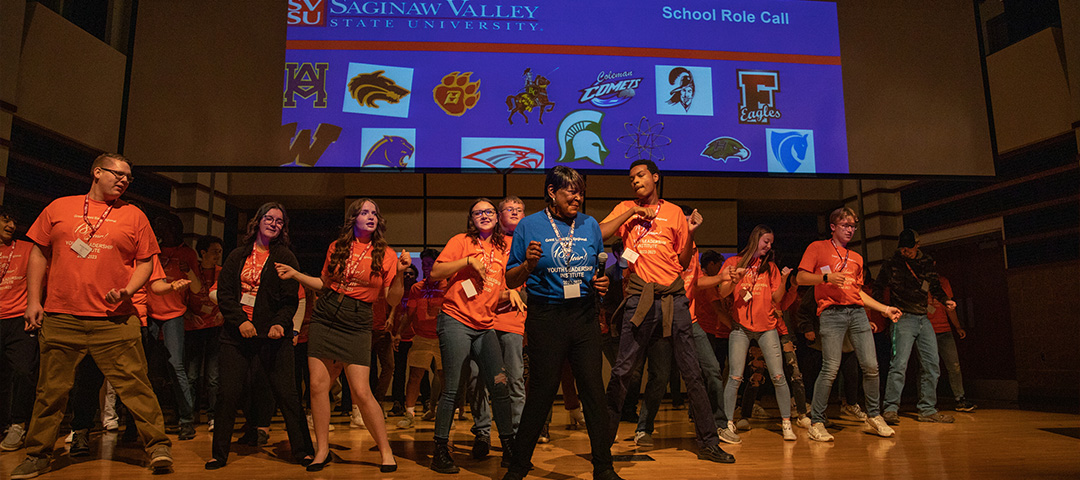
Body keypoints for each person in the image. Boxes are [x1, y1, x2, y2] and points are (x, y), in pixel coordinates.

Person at [12, 153, 173, 479]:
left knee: (136, 386)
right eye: (118, 173)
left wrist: (128, 291)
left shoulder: (134, 215)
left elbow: (145, 263)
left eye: (129, 177)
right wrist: (33, 300)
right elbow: (39, 254)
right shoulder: (59, 207)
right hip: (62, 316)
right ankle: (38, 454)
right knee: (51, 391)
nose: (124, 180)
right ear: (97, 172)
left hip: (115, 319)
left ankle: (157, 447)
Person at [599, 159, 734, 464]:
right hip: (640, 297)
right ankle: (602, 444)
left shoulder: (674, 212)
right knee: (623, 371)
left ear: (655, 177)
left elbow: (684, 261)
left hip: (674, 298)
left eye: (641, 175)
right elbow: (600, 233)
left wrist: (692, 231)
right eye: (631, 177)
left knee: (692, 372)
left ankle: (709, 442)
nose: (635, 181)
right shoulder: (625, 208)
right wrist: (632, 211)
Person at [502, 166, 619, 480]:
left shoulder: (590, 225)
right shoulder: (529, 226)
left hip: (583, 315)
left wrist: (600, 283)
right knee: (541, 392)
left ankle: (604, 467)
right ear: (552, 192)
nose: (577, 197)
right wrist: (528, 264)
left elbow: (596, 270)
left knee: (593, 391)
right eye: (571, 191)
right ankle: (518, 466)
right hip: (546, 316)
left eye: (580, 191)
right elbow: (511, 279)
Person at [276, 198, 407, 472]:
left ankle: (386, 451)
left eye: (374, 213)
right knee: (317, 386)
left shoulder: (387, 253)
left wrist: (400, 277)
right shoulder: (337, 247)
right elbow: (323, 284)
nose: (370, 216)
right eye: (364, 212)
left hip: (358, 318)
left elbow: (393, 299)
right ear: (353, 218)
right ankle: (322, 450)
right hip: (326, 314)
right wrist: (296, 274)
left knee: (361, 390)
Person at [206, 202, 314, 469]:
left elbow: (291, 301)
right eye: (269, 218)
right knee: (228, 394)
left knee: (288, 395)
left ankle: (303, 451)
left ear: (283, 227)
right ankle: (218, 453)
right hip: (236, 335)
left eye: (279, 221)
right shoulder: (237, 255)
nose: (273, 223)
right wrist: (240, 321)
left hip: (274, 338)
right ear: (258, 221)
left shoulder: (286, 257)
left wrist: (279, 324)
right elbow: (225, 295)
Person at [428, 198, 521, 474]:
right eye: (478, 212)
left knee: (500, 386)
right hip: (456, 319)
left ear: (496, 217)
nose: (484, 215)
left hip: (485, 325)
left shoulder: (504, 248)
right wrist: (467, 261)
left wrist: (512, 292)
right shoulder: (461, 241)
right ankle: (440, 451)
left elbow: (497, 289)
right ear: (472, 218)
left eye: (489, 211)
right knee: (453, 388)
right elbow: (435, 273)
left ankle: (508, 447)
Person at [796, 207, 902, 442]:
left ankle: (874, 415)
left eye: (853, 226)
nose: (850, 230)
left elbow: (858, 293)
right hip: (831, 313)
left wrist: (884, 309)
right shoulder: (817, 247)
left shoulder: (856, 258)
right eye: (845, 225)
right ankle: (817, 421)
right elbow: (800, 278)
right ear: (833, 227)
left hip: (857, 314)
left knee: (871, 366)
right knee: (831, 368)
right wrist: (826, 277)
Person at [718, 225, 795, 442]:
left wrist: (785, 278)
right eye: (766, 241)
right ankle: (727, 423)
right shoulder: (733, 263)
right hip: (740, 327)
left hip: (767, 327)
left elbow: (777, 298)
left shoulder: (770, 267)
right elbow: (722, 292)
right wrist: (734, 280)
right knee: (735, 376)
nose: (768, 246)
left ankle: (786, 422)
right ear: (756, 239)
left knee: (778, 376)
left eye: (771, 243)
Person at [875, 229, 957, 424]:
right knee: (899, 365)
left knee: (932, 364)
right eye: (903, 248)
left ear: (917, 246)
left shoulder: (926, 262)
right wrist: (883, 308)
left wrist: (945, 301)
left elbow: (934, 285)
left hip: (922, 316)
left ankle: (927, 409)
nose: (905, 252)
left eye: (909, 248)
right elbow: (879, 286)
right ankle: (890, 408)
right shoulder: (892, 263)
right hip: (902, 317)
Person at [468, 196, 528, 458]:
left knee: (514, 380)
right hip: (481, 320)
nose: (514, 212)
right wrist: (504, 293)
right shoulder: (484, 243)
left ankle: (515, 437)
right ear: (497, 215)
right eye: (508, 209)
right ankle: (482, 432)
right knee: (476, 379)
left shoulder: (527, 243)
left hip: (513, 322)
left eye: (519, 209)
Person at [146, 213, 202, 440]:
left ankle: (186, 420)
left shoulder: (187, 253)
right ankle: (139, 422)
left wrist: (188, 270)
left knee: (176, 366)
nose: (161, 233)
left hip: (174, 315)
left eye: (165, 228)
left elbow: (197, 290)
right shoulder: (152, 251)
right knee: (145, 369)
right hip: (148, 312)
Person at [0, 207, 37, 452]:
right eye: (5, 219)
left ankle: (18, 423)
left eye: (15, 220)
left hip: (19, 319)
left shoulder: (27, 249)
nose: (12, 224)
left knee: (24, 373)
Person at [396, 249, 446, 428]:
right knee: (415, 375)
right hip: (421, 337)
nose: (426, 267)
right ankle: (409, 413)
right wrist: (399, 333)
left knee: (444, 376)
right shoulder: (417, 288)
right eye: (423, 264)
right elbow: (409, 313)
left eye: (429, 264)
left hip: (443, 338)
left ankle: (444, 414)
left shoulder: (447, 286)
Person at [185, 235, 224, 432]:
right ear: (203, 253)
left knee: (213, 376)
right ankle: (189, 416)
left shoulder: (222, 273)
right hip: (194, 329)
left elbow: (230, 298)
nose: (218, 255)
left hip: (216, 329)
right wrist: (190, 314)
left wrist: (223, 314)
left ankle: (213, 416)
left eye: (219, 251)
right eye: (214, 251)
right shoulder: (193, 271)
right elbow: (181, 297)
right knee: (191, 374)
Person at [929, 274, 975, 412]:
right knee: (928, 368)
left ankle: (959, 398)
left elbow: (950, 307)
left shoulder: (943, 282)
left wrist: (957, 327)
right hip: (926, 331)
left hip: (944, 330)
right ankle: (928, 402)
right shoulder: (918, 280)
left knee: (954, 365)